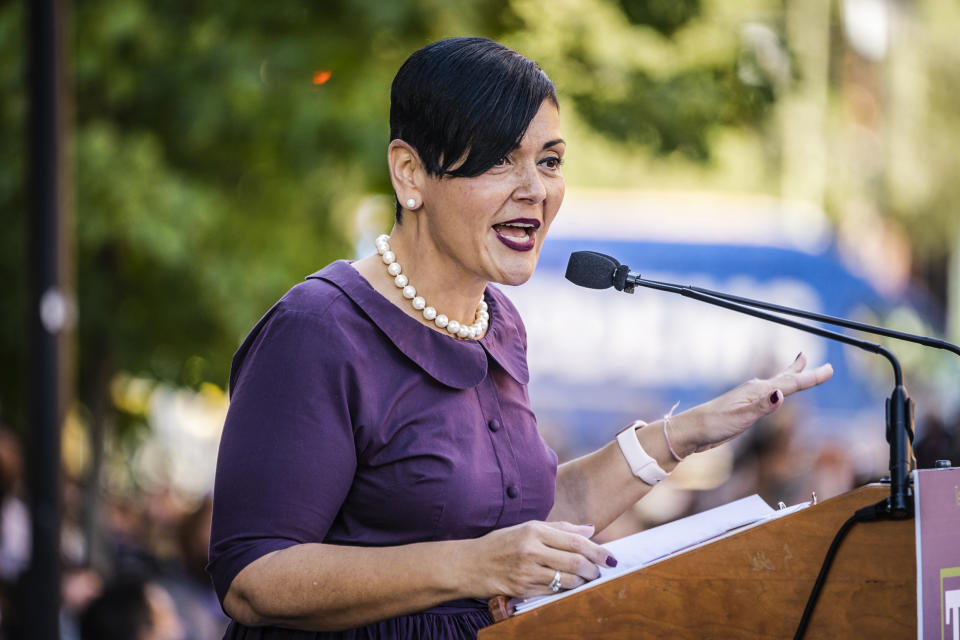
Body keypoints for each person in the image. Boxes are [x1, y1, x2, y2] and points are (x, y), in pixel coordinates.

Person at [207, 37, 833, 639]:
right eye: (501, 158)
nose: (535, 189)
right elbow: (253, 577)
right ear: (410, 174)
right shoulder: (319, 330)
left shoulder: (498, 323)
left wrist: (686, 434)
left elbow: (528, 521)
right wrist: (474, 566)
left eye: (550, 161)